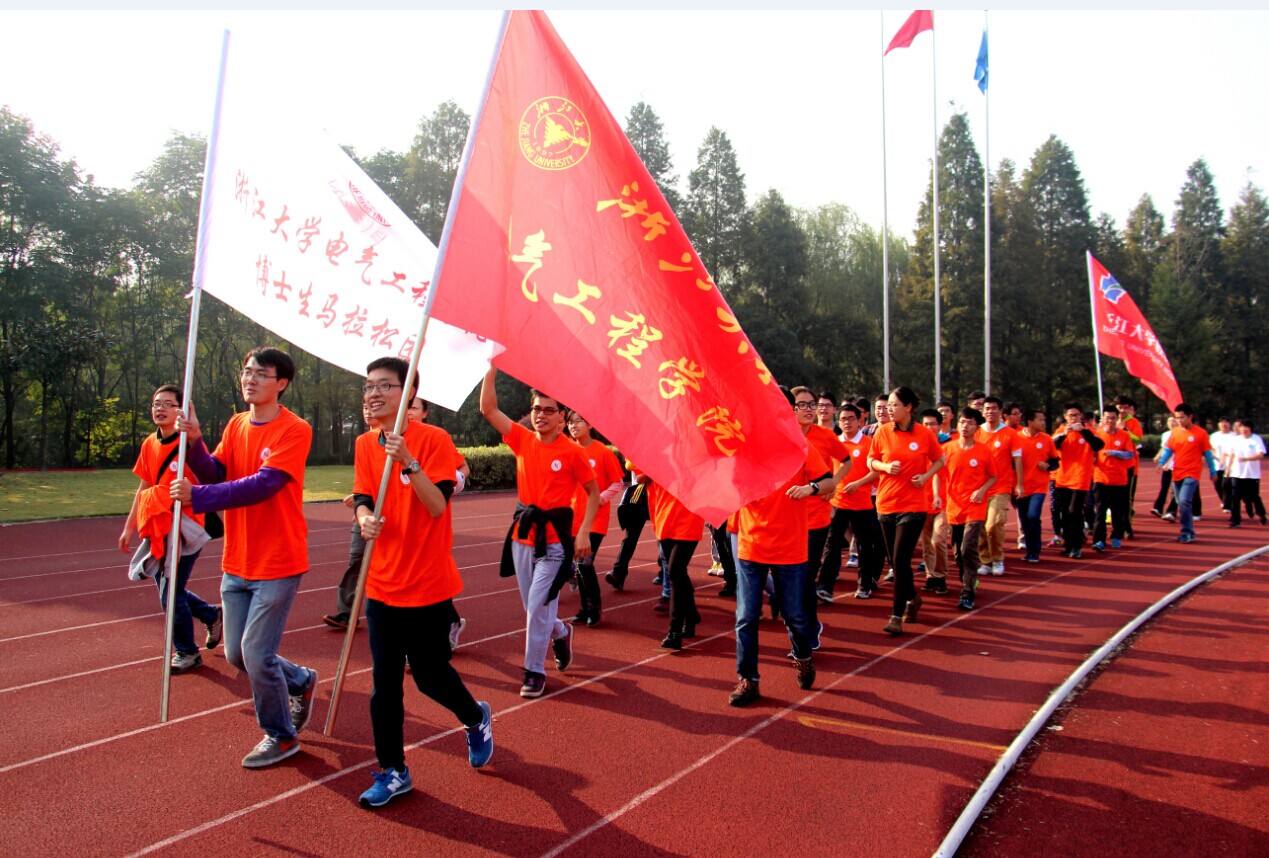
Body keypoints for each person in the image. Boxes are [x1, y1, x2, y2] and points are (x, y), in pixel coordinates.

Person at [350, 358, 492, 808]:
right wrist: (364, 517)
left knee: (430, 678)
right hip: (382, 585)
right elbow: (363, 495)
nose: (373, 394)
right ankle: (393, 770)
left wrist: (408, 461)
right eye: (368, 386)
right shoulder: (364, 443)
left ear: (409, 391)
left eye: (384, 386)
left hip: (427, 584)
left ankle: (475, 717)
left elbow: (436, 505)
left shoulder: (434, 440)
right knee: (384, 686)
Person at [171, 347, 319, 768]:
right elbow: (218, 472)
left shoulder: (295, 429)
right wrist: (195, 442)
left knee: (255, 654)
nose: (249, 379)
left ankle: (281, 736)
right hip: (237, 559)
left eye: (260, 373)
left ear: (281, 383)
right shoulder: (237, 424)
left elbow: (262, 485)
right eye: (247, 371)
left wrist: (198, 496)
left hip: (278, 560)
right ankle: (300, 679)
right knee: (238, 654)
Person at [479, 368, 598, 698]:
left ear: (561, 416)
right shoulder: (521, 439)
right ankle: (560, 632)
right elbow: (488, 409)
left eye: (548, 410)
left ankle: (534, 672)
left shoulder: (572, 452)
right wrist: (490, 369)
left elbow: (593, 493)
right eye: (536, 409)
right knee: (535, 609)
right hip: (523, 538)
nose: (541, 415)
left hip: (555, 544)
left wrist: (584, 533)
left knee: (536, 607)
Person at [729, 410, 830, 707]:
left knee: (794, 615)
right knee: (746, 616)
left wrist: (810, 488)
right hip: (751, 546)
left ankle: (803, 657)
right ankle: (748, 679)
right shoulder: (743, 448)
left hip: (790, 549)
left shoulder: (800, 447)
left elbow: (828, 483)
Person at [119, 384, 222, 674]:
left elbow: (208, 481)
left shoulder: (187, 445)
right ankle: (210, 614)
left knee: (170, 593)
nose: (160, 409)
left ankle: (187, 651)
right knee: (170, 589)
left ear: (181, 410)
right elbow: (144, 486)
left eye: (167, 404)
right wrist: (129, 527)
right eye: (156, 404)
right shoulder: (149, 444)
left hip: (186, 528)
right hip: (157, 526)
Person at [868, 386, 945, 636]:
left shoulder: (924, 434)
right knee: (895, 561)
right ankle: (912, 597)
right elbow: (871, 461)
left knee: (901, 560)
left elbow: (940, 459)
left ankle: (895, 615)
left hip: (913, 506)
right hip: (886, 503)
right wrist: (885, 467)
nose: (889, 409)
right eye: (888, 405)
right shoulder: (882, 431)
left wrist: (926, 476)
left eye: (894, 405)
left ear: (908, 407)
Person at [791, 387, 850, 646]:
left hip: (816, 518)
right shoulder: (782, 436)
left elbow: (847, 461)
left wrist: (832, 483)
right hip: (786, 518)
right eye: (801, 405)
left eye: (811, 405)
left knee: (806, 576)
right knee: (790, 577)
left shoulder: (825, 436)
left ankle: (810, 628)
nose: (808, 410)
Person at [565, 412, 625, 626]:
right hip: (573, 519)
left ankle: (594, 607)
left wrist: (601, 497)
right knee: (579, 565)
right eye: (570, 422)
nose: (573, 426)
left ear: (590, 424)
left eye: (578, 421)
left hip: (595, 519)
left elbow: (617, 483)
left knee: (585, 562)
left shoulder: (602, 452)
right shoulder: (568, 451)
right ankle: (584, 608)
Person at [933, 408, 996, 611]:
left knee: (968, 547)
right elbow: (937, 474)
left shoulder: (984, 450)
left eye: (969, 423)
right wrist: (936, 495)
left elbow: (993, 476)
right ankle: (968, 576)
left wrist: (981, 490)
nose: (965, 426)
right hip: (954, 507)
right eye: (962, 422)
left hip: (975, 507)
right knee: (958, 552)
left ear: (976, 427)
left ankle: (967, 592)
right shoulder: (947, 449)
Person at [323, 402, 379, 632]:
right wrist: (359, 500)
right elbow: (365, 482)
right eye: (364, 406)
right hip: (365, 514)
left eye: (372, 406)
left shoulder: (401, 440)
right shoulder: (363, 442)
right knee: (357, 560)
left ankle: (443, 617)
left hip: (394, 515)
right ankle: (347, 613)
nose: (368, 410)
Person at [817, 403, 881, 601]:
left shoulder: (869, 444)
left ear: (859, 420)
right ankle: (825, 587)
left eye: (851, 418)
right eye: (843, 419)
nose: (847, 422)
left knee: (865, 546)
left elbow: (877, 471)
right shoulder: (834, 443)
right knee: (832, 544)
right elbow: (827, 470)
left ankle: (864, 584)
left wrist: (858, 483)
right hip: (838, 502)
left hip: (862, 503)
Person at [644, 478, 705, 649]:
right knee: (679, 574)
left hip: (688, 521)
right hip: (664, 520)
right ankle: (691, 616)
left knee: (675, 572)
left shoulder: (694, 466)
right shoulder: (657, 464)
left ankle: (674, 631)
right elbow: (640, 477)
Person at [1156, 403, 1218, 543]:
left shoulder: (1201, 433)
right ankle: (1190, 531)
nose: (1179, 421)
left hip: (1192, 473)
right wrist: (1161, 462)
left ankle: (1186, 532)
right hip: (1177, 472)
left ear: (1190, 417)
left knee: (1184, 501)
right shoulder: (1175, 432)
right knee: (1181, 503)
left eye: (1182, 418)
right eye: (1177, 418)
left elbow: (1208, 454)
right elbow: (1169, 449)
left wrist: (1213, 471)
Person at [975, 396, 1023, 577]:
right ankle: (985, 560)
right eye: (987, 408)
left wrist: (1019, 484)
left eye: (994, 408)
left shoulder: (1010, 434)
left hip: (1001, 486)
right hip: (978, 488)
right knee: (979, 526)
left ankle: (997, 559)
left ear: (1001, 411)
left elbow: (1017, 459)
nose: (990, 411)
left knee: (993, 525)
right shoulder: (977, 432)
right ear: (982, 412)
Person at [1051, 403, 1103, 559]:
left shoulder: (1088, 431)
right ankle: (1068, 545)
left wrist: (1084, 431)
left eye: (1076, 415)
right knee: (1065, 513)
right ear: (1065, 417)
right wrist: (1063, 435)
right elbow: (1051, 447)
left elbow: (1098, 445)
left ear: (1081, 416)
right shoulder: (1061, 431)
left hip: (1080, 477)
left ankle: (1077, 545)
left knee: (1075, 511)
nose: (1073, 418)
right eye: (1070, 415)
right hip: (1063, 477)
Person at [1016, 409, 1059, 563]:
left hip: (1039, 486)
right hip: (1021, 486)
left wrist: (1048, 465)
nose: (1043, 422)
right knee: (1024, 519)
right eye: (1040, 420)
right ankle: (1029, 550)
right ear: (1030, 422)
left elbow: (1055, 461)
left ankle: (1035, 550)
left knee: (1033, 516)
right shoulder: (1016, 438)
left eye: (1043, 419)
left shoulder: (1046, 439)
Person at [1091, 406, 1134, 551]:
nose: (1110, 421)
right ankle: (1099, 540)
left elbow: (1130, 454)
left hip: (1119, 480)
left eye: (1113, 418)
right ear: (1103, 419)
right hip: (1101, 479)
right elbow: (1092, 454)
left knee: (1117, 511)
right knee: (1100, 511)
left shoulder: (1124, 435)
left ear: (1117, 419)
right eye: (1107, 418)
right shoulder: (1097, 435)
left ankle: (1116, 536)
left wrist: (1113, 453)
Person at [918, 409, 951, 592]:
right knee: (927, 543)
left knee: (937, 540)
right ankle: (931, 577)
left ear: (940, 426)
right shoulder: (917, 448)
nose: (929, 427)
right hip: (922, 502)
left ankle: (940, 575)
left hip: (943, 502)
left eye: (932, 424)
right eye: (926, 424)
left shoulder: (948, 447)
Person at [605, 458, 648, 592]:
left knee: (665, 537)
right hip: (639, 496)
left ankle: (666, 573)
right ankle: (618, 574)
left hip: (660, 497)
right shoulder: (636, 451)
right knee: (630, 537)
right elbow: (635, 472)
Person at [1114, 395, 1144, 537]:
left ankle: (1126, 526)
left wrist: (1125, 429)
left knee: (1126, 497)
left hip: (1128, 465)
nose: (1122, 410)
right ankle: (1116, 526)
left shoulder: (1133, 422)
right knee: (1111, 499)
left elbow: (1138, 440)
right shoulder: (1108, 421)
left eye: (1125, 408)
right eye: (1120, 407)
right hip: (1110, 466)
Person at [1226, 419, 1267, 527]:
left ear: (1250, 428)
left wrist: (1247, 459)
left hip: (1252, 474)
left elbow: (1261, 455)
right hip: (1237, 473)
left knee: (1254, 496)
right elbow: (1232, 455)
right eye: (1242, 427)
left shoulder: (1256, 439)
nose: (1244, 429)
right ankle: (1235, 520)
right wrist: (1228, 468)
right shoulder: (1236, 440)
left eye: (1246, 427)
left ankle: (1261, 514)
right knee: (1235, 496)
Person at [1211, 417, 1237, 513]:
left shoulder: (1234, 436)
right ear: (1218, 425)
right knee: (1217, 485)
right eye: (1221, 423)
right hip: (1217, 464)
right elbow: (1211, 447)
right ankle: (1225, 500)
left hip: (1230, 465)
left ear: (1229, 424)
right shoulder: (1214, 436)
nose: (1224, 424)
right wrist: (1213, 454)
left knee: (1227, 486)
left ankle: (1227, 505)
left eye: (1226, 422)